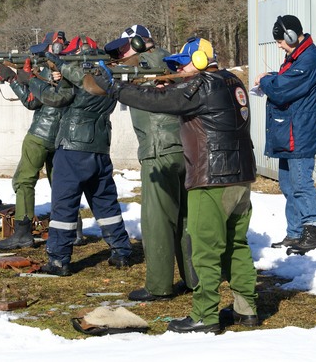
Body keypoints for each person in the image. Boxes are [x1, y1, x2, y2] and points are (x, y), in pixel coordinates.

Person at [92, 37, 258, 334]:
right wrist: (167, 88)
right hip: (240, 177)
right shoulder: (230, 80)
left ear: (199, 62)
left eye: (183, 65)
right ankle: (247, 309)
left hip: (212, 179)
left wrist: (116, 88)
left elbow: (161, 102)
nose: (179, 71)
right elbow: (182, 100)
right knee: (236, 245)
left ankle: (205, 315)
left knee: (205, 250)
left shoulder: (202, 84)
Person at [31, 35, 133, 276]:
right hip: (99, 147)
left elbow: (56, 99)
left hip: (73, 148)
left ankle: (58, 259)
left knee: (64, 206)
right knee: (105, 202)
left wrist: (33, 81)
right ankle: (121, 250)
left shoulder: (78, 77)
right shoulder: (108, 75)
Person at [104, 25, 191, 301]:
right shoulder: (172, 60)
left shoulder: (143, 64)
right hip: (184, 147)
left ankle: (159, 286)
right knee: (186, 219)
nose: (120, 54)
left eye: (123, 48)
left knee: (157, 221)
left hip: (158, 150)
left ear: (139, 44)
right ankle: (194, 279)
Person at [0, 31, 82, 249]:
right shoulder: (76, 68)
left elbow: (32, 101)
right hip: (64, 137)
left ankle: (23, 233)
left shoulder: (50, 69)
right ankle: (74, 230)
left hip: (41, 135)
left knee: (24, 181)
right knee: (61, 185)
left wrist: (13, 79)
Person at [254, 15, 316, 254]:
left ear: (292, 36)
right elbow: (285, 79)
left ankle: (312, 231)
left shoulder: (309, 59)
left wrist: (266, 81)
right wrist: (272, 76)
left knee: (301, 183)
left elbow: (282, 90)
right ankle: (295, 233)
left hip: (300, 132)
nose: (279, 45)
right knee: (287, 183)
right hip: (289, 130)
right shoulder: (297, 57)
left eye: (280, 40)